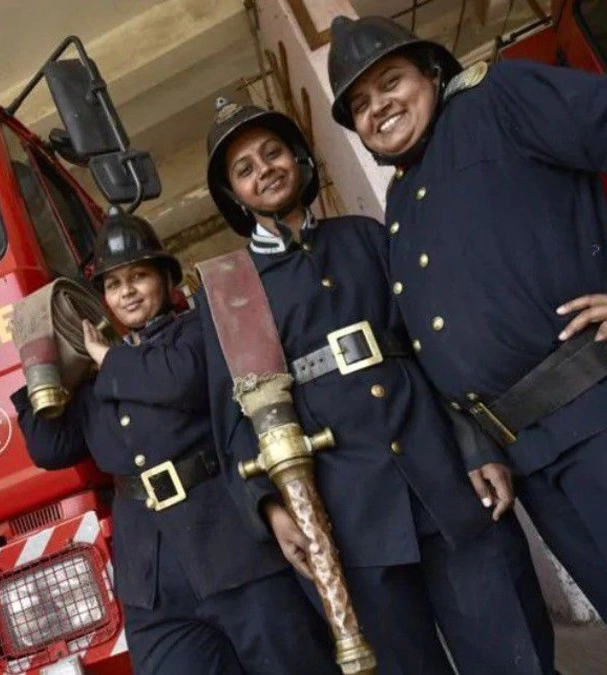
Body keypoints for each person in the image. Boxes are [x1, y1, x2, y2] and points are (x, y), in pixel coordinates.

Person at [328, 15, 607, 674]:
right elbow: (448, 335)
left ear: (431, 73)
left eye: (390, 82)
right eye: (360, 103)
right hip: (539, 457)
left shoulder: (499, 100)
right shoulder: (402, 201)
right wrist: (481, 443)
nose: (378, 106)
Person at [200, 99, 554, 675]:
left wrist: (477, 445)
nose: (264, 170)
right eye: (245, 169)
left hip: (445, 479)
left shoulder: (366, 236)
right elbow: (233, 426)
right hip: (346, 519)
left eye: (273, 153)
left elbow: (435, 345)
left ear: (298, 158)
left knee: (515, 655)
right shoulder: (228, 291)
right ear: (234, 195)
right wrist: (271, 509)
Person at [10, 211, 336, 675]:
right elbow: (50, 448)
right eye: (113, 283)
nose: (126, 291)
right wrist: (41, 362)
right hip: (154, 585)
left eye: (138, 276)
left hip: (233, 552)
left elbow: (181, 382)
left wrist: (109, 358)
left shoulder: (197, 330)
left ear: (165, 279)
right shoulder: (99, 378)